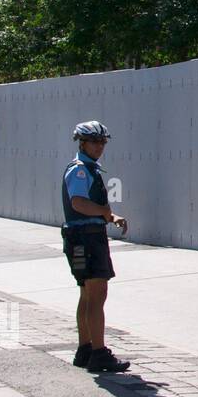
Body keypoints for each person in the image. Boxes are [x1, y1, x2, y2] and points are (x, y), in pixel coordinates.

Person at [62, 121, 130, 373]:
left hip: (82, 237)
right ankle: (99, 353)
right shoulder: (80, 170)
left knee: (87, 295)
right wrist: (104, 211)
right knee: (97, 295)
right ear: (82, 143)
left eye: (103, 142)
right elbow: (79, 203)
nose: (100, 146)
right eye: (95, 142)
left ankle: (85, 349)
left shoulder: (88, 169)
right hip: (87, 239)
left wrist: (112, 217)